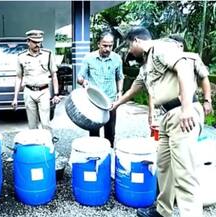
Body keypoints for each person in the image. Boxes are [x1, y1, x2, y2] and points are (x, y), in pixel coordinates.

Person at [112, 26, 204, 217]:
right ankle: (163, 211)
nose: (129, 51)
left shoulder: (162, 47)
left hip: (182, 113)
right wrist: (114, 105)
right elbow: (134, 89)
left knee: (184, 174)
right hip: (167, 117)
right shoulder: (146, 63)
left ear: (137, 40)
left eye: (129, 46)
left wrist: (187, 108)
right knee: (164, 168)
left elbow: (184, 68)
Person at [148, 34, 213, 126]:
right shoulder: (162, 60)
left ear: (180, 46)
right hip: (164, 111)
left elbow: (204, 78)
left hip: (184, 107)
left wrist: (207, 101)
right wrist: (151, 113)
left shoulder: (192, 58)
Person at [77, 31, 124, 147]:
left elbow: (120, 77)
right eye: (104, 45)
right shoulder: (89, 58)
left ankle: (109, 156)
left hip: (111, 101)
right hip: (94, 102)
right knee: (94, 133)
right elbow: (80, 77)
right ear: (98, 44)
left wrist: (120, 92)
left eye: (110, 46)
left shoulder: (117, 59)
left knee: (110, 132)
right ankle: (95, 155)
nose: (107, 49)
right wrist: (83, 81)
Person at [12, 29, 61, 132]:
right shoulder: (21, 57)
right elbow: (18, 77)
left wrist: (56, 94)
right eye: (34, 42)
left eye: (39, 41)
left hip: (43, 91)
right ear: (28, 42)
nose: (37, 44)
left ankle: (48, 145)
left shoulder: (48, 54)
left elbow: (54, 74)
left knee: (45, 124)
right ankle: (35, 146)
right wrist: (15, 98)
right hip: (28, 92)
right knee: (32, 125)